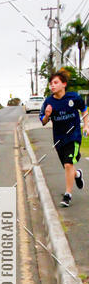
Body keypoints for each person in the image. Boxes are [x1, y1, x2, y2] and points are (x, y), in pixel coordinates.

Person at [40, 68, 88, 207]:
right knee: (68, 168)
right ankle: (77, 175)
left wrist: (86, 125)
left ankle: (67, 195)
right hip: (59, 139)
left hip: (73, 137)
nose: (52, 85)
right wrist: (48, 115)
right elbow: (43, 121)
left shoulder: (73, 98)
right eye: (51, 83)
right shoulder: (49, 102)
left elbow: (84, 109)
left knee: (68, 164)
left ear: (63, 84)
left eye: (55, 82)